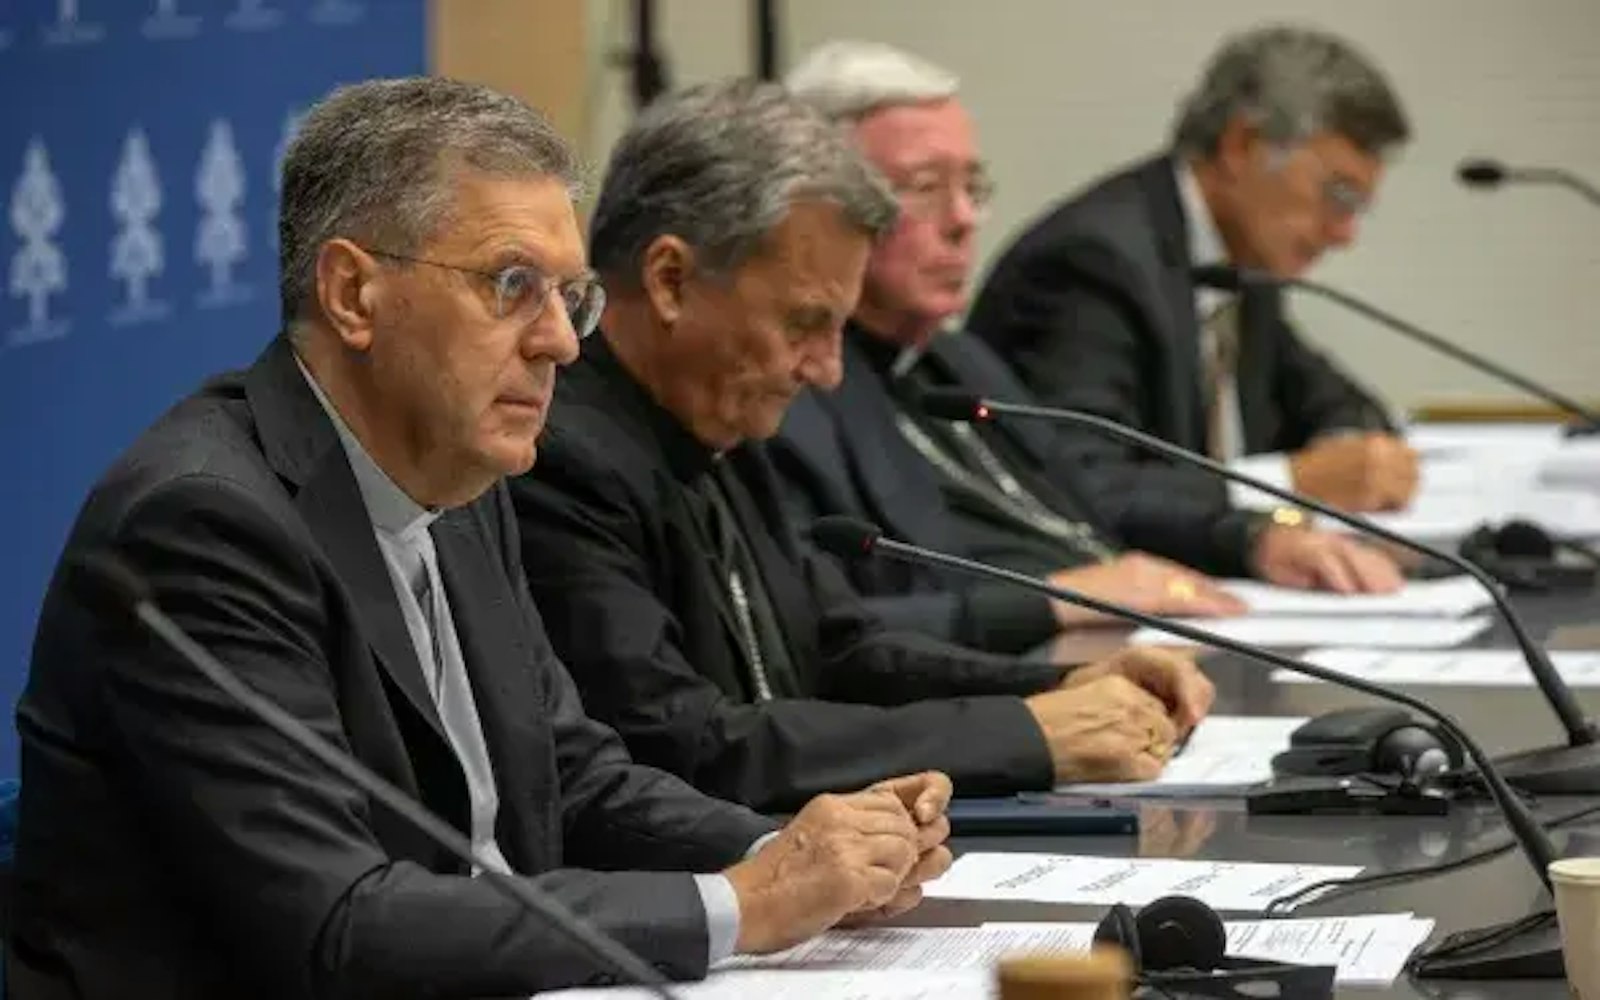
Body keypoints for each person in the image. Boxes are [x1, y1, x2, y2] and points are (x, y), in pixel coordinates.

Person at [9, 77, 955, 1000]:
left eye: (569, 296)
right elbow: (337, 927)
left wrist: (782, 852)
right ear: (352, 293)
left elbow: (572, 778)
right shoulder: (203, 527)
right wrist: (739, 906)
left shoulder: (460, 472)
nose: (561, 342)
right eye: (512, 286)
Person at [509, 78, 1215, 817]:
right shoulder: (561, 459)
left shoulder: (715, 416)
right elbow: (683, 744)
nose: (828, 369)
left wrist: (1061, 687)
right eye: (804, 323)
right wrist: (1023, 733)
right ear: (671, 280)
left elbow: (842, 648)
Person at [770, 40, 1402, 656]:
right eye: (923, 186)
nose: (964, 219)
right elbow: (829, 627)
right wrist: (1054, 598)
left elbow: (1085, 497)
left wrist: (1253, 538)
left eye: (973, 185)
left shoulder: (959, 363)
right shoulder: (785, 400)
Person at [968, 25, 1420, 515]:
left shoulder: (1239, 261)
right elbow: (1080, 484)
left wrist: (1352, 453)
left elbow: (1336, 400)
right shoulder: (1092, 262)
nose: (1345, 233)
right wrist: (1291, 482)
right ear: (1242, 146)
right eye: (1338, 196)